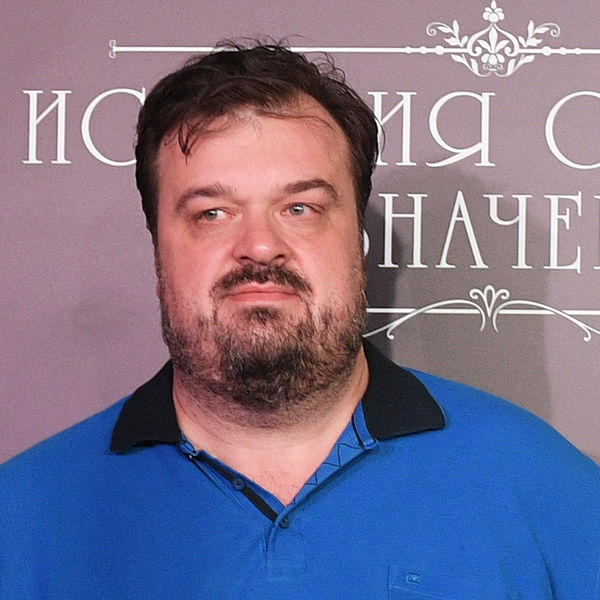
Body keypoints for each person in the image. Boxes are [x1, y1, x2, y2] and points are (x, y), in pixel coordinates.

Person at [1, 41, 598, 599]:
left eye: (300, 208)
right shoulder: (24, 516)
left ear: (358, 245)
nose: (260, 247)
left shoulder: (545, 486)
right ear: (159, 255)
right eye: (212, 213)